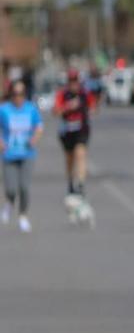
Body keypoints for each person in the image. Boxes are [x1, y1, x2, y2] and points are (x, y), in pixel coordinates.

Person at [53, 67, 96, 227]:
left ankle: (81, 184)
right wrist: (68, 107)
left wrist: (89, 110)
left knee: (81, 154)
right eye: (71, 81)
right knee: (70, 159)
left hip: (81, 131)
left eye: (75, 81)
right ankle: (70, 182)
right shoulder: (62, 95)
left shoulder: (85, 94)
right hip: (67, 132)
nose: (73, 84)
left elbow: (93, 107)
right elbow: (55, 111)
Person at [0, 77, 44, 233]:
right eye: (15, 93)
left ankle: (23, 216)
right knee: (11, 188)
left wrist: (34, 139)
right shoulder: (3, 109)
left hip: (27, 154)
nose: (18, 96)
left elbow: (39, 126)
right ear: (10, 94)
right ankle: (9, 203)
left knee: (24, 187)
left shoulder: (31, 109)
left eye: (21, 93)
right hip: (9, 155)